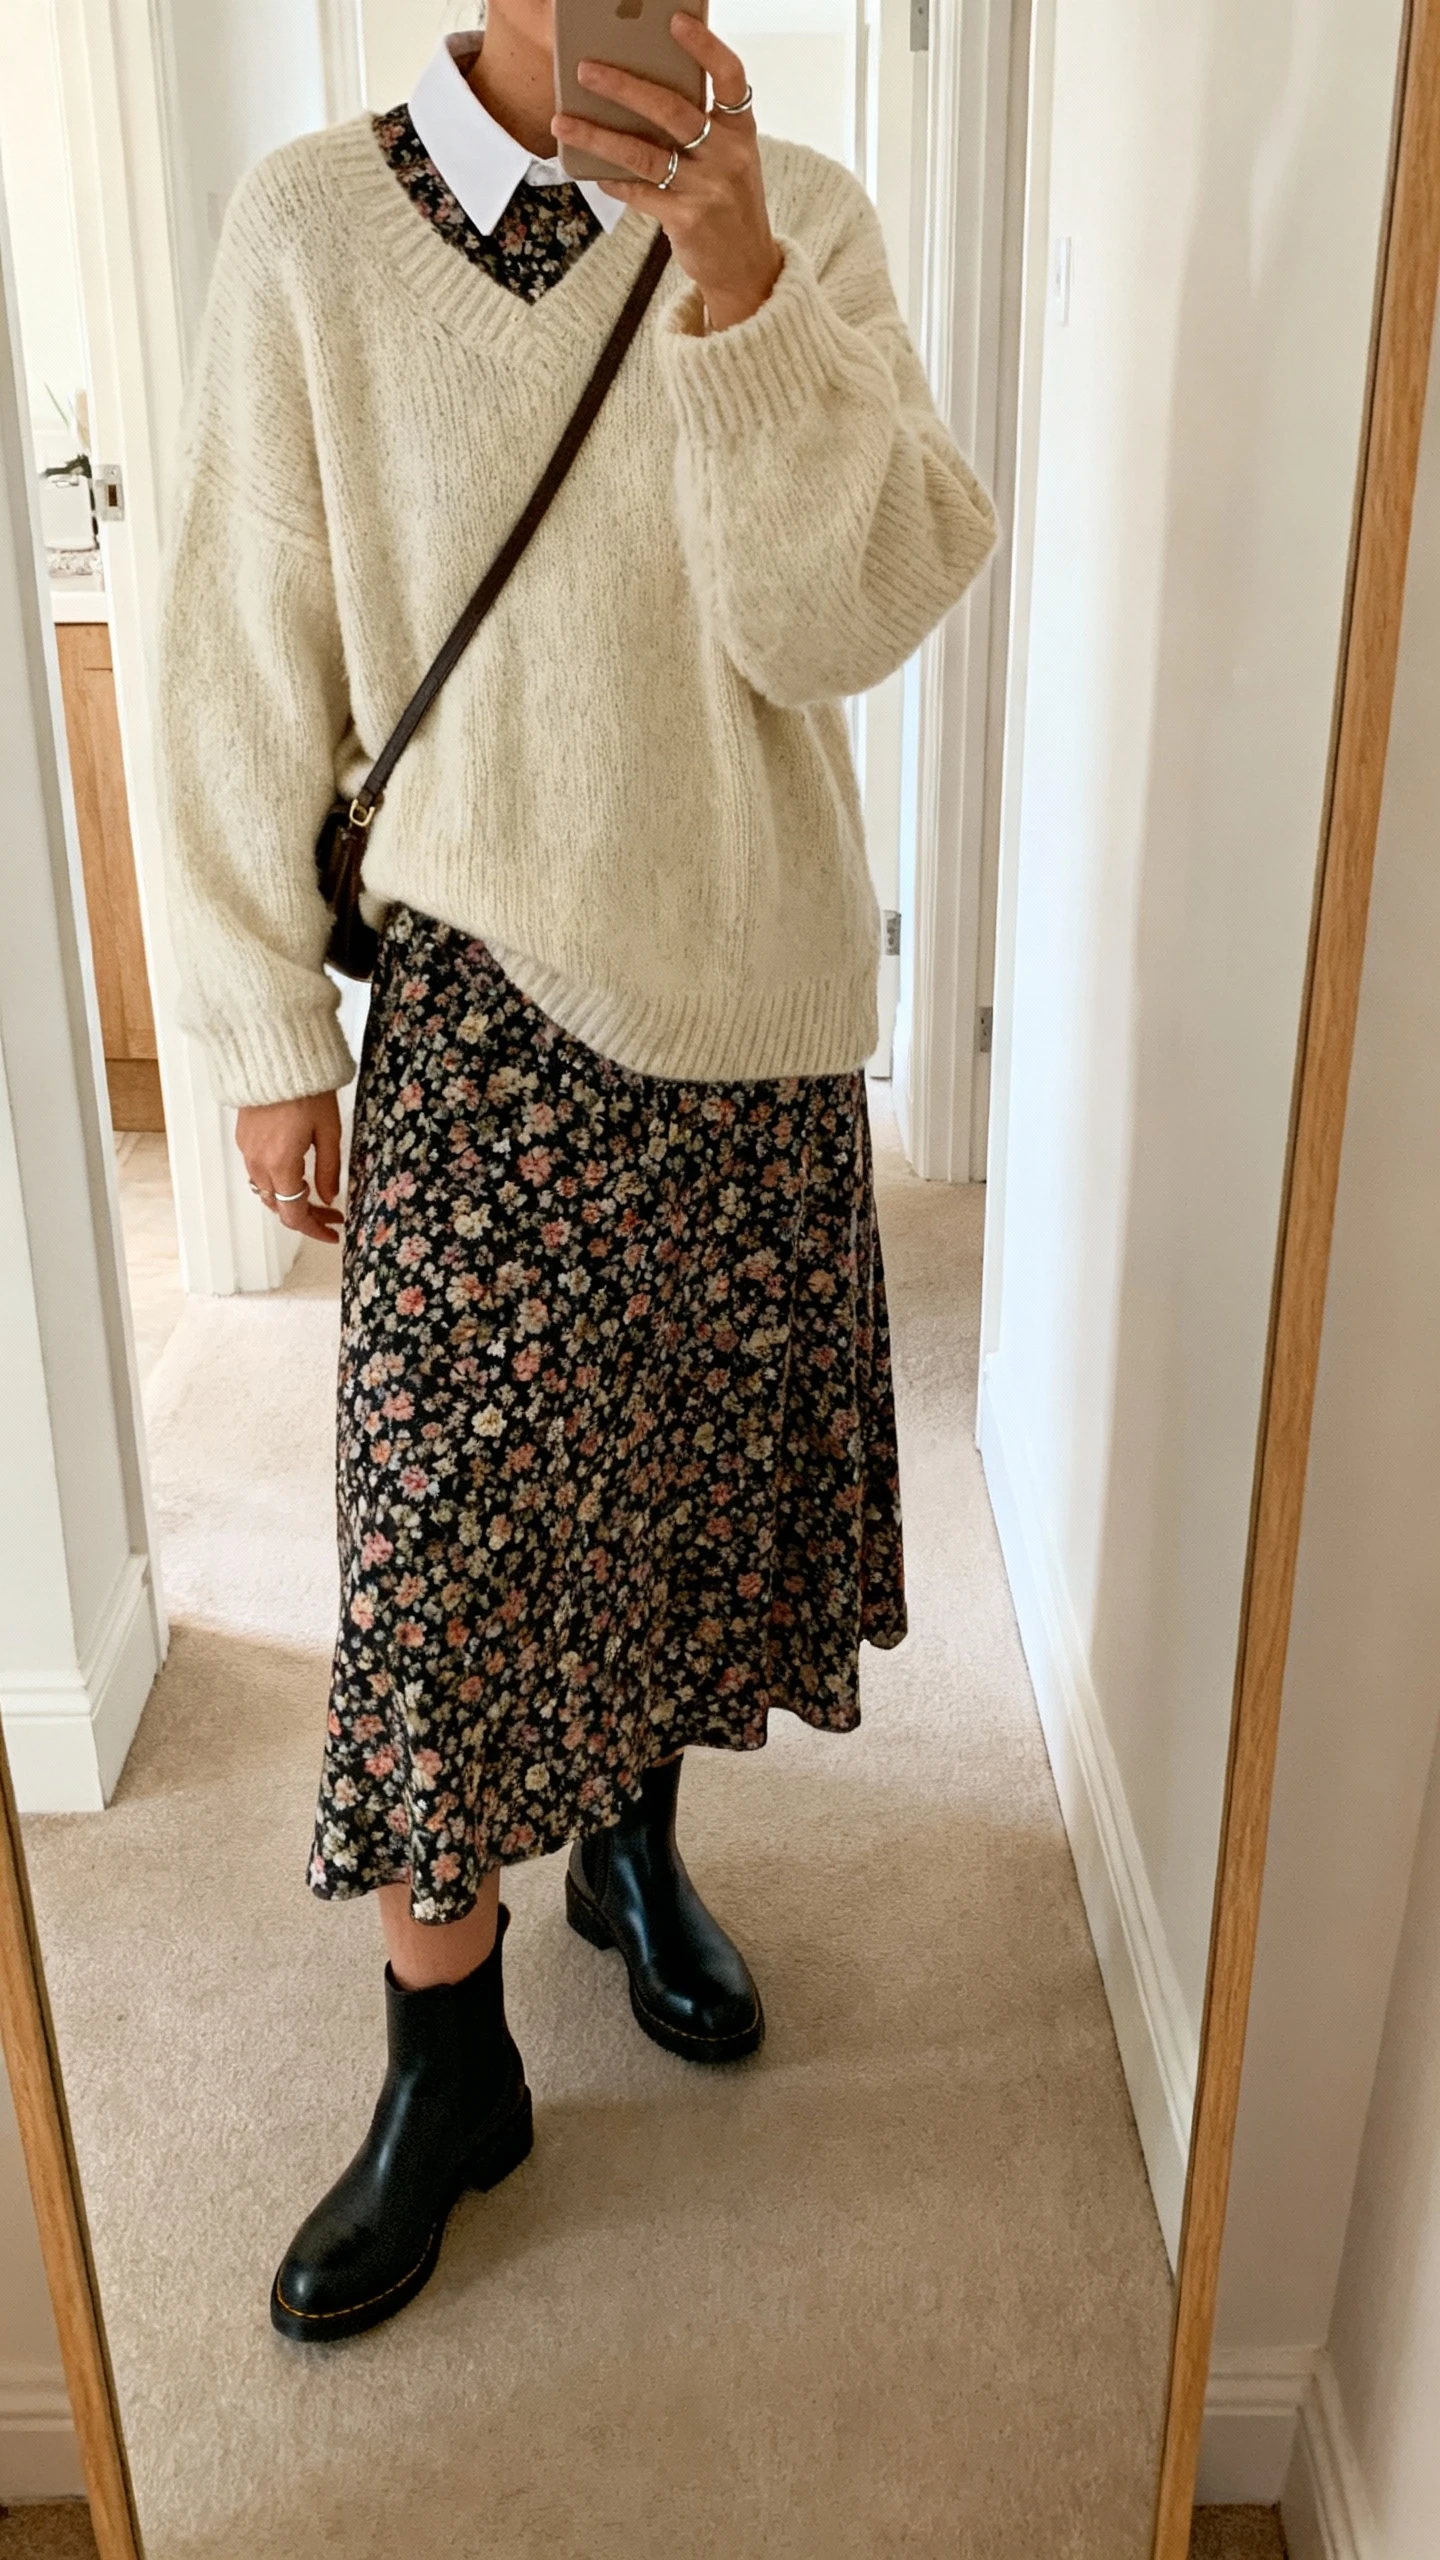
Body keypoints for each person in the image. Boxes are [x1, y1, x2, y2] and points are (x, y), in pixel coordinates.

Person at [157, 0, 997, 2343]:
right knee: (438, 1558)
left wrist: (738, 287)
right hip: (483, 1022)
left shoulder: (797, 214)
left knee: (685, 1499)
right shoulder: (315, 226)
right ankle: (447, 2058)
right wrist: (249, 1022)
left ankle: (635, 1848)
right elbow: (239, 645)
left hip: (747, 1004)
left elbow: (842, 620)